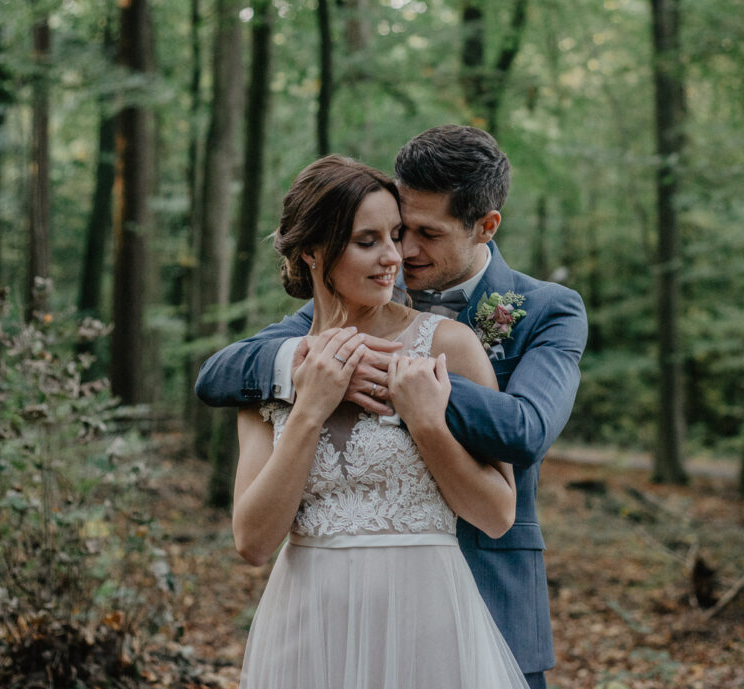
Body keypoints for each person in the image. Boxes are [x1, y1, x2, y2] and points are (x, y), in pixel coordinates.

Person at [196, 126, 588, 689]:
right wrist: (302, 373)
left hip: (482, 595)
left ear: (486, 226)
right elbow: (222, 373)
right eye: (393, 233)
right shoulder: (332, 318)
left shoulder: (543, 310)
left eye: (422, 234)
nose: (400, 254)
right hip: (316, 623)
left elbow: (526, 430)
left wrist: (412, 385)